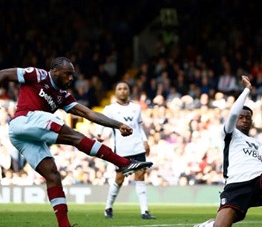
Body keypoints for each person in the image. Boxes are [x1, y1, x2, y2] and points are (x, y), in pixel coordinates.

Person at [0, 57, 153, 227]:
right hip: (23, 120)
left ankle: (64, 225)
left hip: (24, 136)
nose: (71, 78)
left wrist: (118, 125)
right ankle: (123, 162)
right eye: (67, 74)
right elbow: (4, 74)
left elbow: (89, 114)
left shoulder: (63, 97)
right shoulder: (37, 75)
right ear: (55, 71)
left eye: (72, 75)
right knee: (73, 135)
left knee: (52, 175)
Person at [194, 75, 262, 227]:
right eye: (241, 117)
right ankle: (208, 225)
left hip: (259, 183)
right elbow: (233, 114)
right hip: (237, 186)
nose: (245, 120)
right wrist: (247, 90)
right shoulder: (229, 134)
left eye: (248, 118)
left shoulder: (259, 144)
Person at [96, 81, 156, 220]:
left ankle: (144, 211)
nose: (122, 91)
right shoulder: (110, 109)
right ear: (116, 92)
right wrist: (99, 134)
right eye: (119, 89)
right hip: (122, 149)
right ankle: (108, 207)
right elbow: (101, 123)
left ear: (129, 91)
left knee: (140, 176)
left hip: (137, 146)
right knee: (119, 179)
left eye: (125, 88)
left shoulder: (136, 107)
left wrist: (145, 141)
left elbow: (139, 127)